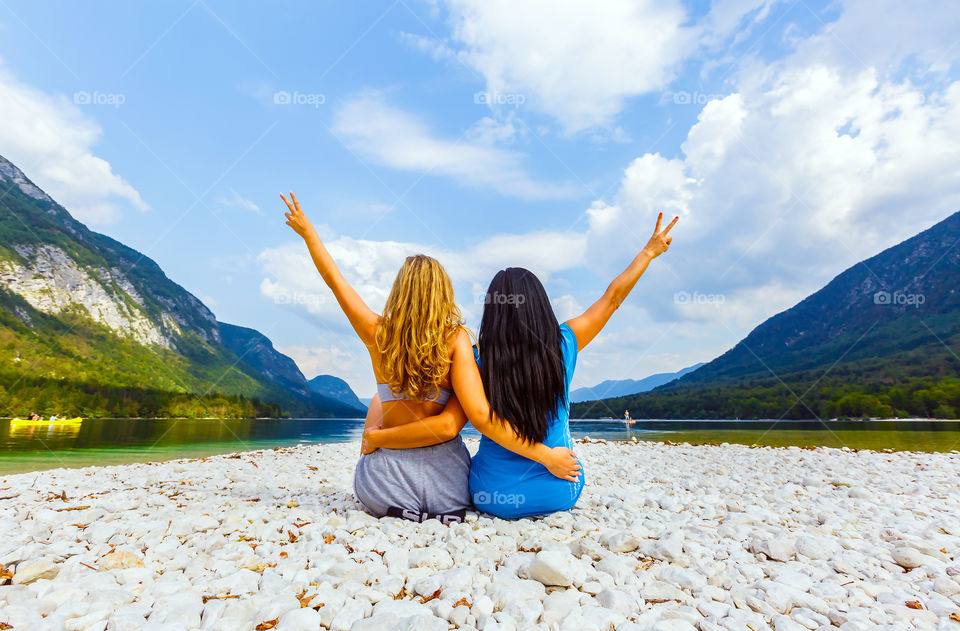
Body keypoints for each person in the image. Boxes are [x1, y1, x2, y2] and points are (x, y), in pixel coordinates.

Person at [281, 193, 579, 523]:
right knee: (388, 401)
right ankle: (426, 509)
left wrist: (310, 235)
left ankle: (398, 508)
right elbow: (457, 423)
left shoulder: (377, 332)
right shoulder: (457, 340)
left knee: (380, 398)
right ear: (444, 293)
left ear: (399, 291)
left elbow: (335, 281)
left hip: (383, 484)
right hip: (446, 488)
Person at [365, 212, 678, 518]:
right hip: (560, 488)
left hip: (492, 495)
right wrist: (648, 253)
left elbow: (462, 413)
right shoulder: (565, 343)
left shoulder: (474, 358)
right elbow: (612, 298)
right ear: (541, 304)